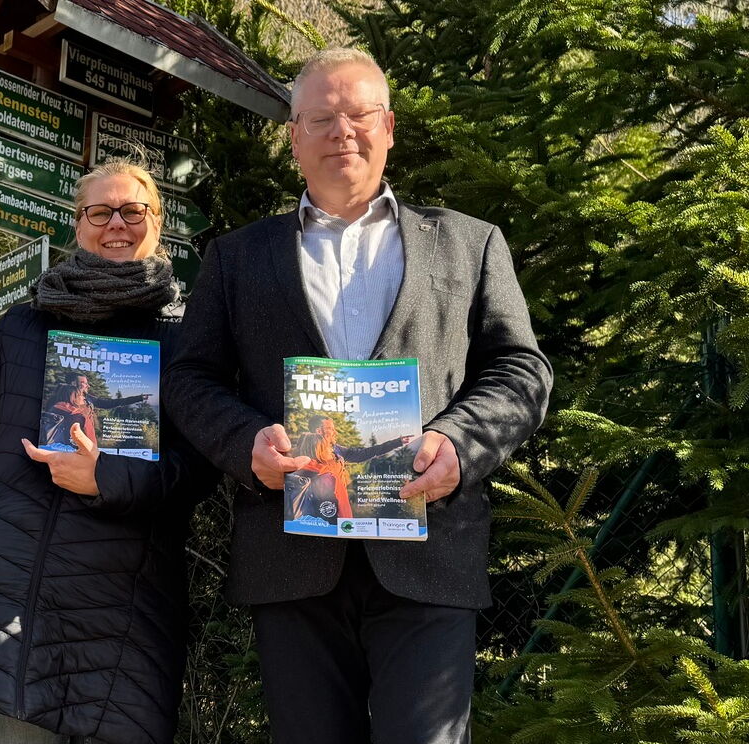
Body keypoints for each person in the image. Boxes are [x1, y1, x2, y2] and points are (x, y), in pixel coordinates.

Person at [166, 48, 553, 743]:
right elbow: (190, 378)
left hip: (429, 549)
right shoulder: (237, 256)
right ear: (294, 137)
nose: (342, 131)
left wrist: (457, 445)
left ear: (389, 128)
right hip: (292, 556)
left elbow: (521, 370)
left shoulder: (469, 244)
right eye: (321, 118)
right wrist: (245, 443)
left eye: (359, 115)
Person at [0, 161, 215, 744]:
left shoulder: (187, 337)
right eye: (100, 212)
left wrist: (108, 479)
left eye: (133, 211)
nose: (116, 224)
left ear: (158, 224)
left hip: (120, 599)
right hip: (5, 576)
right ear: (77, 224)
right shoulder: (22, 325)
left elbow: (201, 466)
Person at [287, 416, 414, 522]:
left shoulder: (337, 450)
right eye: (330, 429)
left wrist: (396, 442)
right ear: (319, 431)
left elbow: (364, 453)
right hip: (319, 508)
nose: (335, 432)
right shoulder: (303, 455)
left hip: (340, 502)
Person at [38, 373, 149, 448]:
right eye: (84, 383)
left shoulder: (88, 398)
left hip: (89, 441)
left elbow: (110, 403)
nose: (88, 386)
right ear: (73, 383)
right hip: (69, 446)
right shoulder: (58, 401)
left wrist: (138, 398)